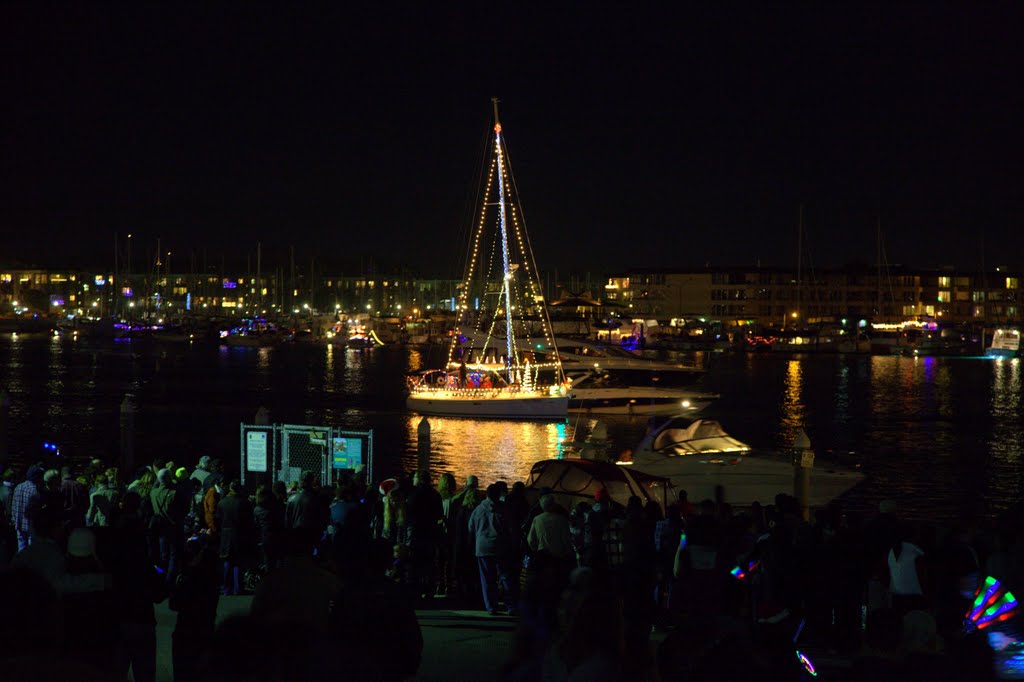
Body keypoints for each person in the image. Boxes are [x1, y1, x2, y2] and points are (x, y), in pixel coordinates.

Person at [467, 483, 516, 615]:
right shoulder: (504, 509)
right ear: (499, 494)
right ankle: (510, 605)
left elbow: (471, 528)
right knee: (505, 576)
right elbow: (510, 528)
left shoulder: (478, 510)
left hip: (482, 547)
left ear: (486, 494)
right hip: (501, 547)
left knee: (487, 578)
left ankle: (491, 606)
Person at [406, 470, 443, 599]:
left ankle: (415, 590)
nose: (412, 480)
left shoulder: (413, 495)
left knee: (415, 563)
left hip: (416, 533)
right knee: (429, 563)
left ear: (420, 479)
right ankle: (429, 590)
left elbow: (408, 515)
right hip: (430, 533)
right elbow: (439, 515)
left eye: (415, 477)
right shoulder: (435, 495)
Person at [216, 479, 253, 596]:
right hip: (240, 534)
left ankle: (227, 588)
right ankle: (238, 588)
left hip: (226, 535)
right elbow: (249, 521)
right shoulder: (245, 503)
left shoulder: (222, 503)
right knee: (238, 562)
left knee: (227, 561)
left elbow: (218, 519)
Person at [11, 465, 44, 551]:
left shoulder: (18, 487)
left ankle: (20, 564)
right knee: (31, 550)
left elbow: (13, 506)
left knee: (21, 549)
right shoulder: (34, 490)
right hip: (31, 525)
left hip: (18, 523)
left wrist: (14, 520)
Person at [60, 466, 88, 530]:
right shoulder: (81, 486)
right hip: (78, 519)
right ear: (73, 473)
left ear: (61, 474)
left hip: (64, 519)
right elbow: (87, 504)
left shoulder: (59, 486)